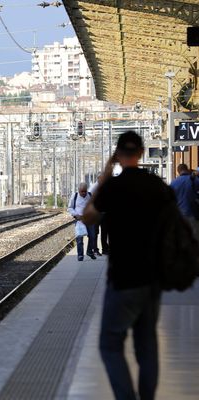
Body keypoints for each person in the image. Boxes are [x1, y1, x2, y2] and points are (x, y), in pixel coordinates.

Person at [83, 131, 172, 400]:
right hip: (152, 278)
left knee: (110, 345)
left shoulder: (113, 187)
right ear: (142, 153)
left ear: (118, 155)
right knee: (147, 348)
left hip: (122, 278)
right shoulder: (157, 185)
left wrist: (105, 176)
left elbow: (88, 217)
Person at [67, 182, 97, 261]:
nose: (83, 193)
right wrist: (75, 214)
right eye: (81, 191)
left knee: (92, 236)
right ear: (78, 190)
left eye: (85, 191)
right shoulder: (75, 196)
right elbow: (69, 208)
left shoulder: (90, 195)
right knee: (79, 238)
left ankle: (89, 251)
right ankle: (80, 255)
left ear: (87, 190)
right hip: (79, 220)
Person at [170, 163, 199, 238]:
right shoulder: (195, 180)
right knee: (195, 237)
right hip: (193, 214)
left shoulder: (173, 183)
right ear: (187, 169)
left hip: (179, 216)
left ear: (178, 171)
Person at [89, 174, 107, 255]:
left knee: (104, 232)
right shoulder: (93, 188)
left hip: (104, 214)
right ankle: (95, 249)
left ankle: (105, 249)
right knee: (95, 232)